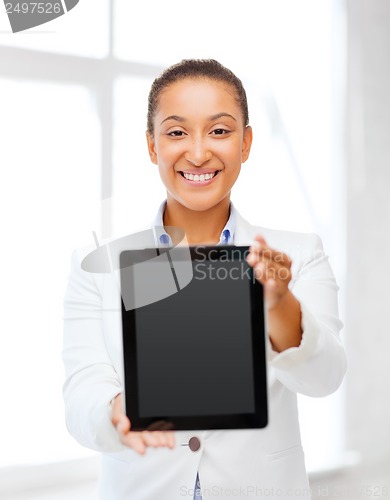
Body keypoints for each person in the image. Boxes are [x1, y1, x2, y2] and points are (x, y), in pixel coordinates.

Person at [62, 59, 347, 500]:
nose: (198, 153)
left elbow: (325, 377)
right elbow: (83, 389)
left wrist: (280, 305)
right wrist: (115, 412)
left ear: (246, 142)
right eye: (176, 132)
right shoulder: (99, 265)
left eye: (219, 130)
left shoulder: (299, 254)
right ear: (152, 146)